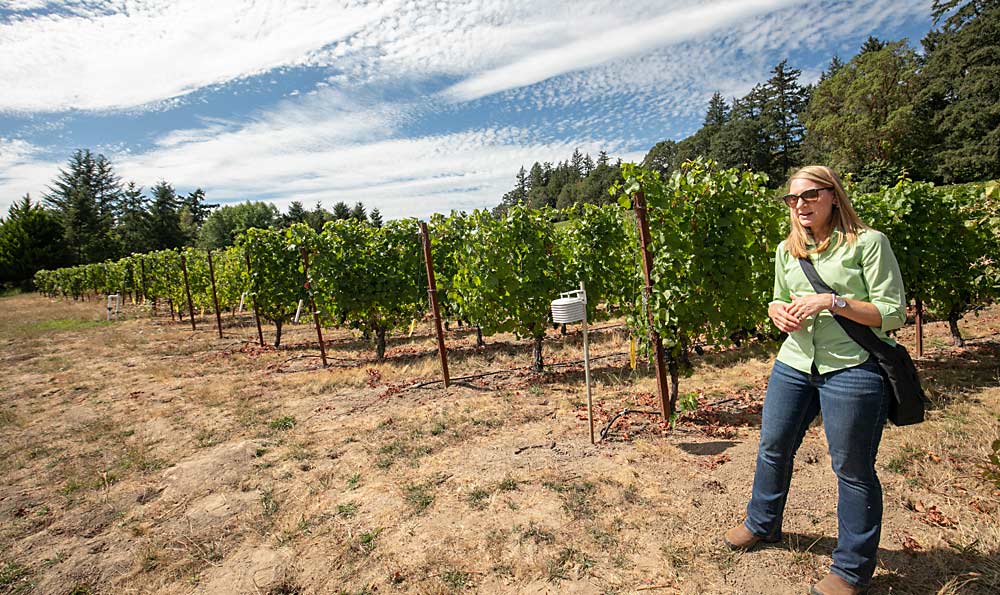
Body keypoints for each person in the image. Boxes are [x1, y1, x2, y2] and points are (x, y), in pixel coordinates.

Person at [723, 166, 906, 595]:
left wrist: (833, 301)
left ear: (833, 196)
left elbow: (892, 312)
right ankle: (762, 524)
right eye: (793, 199)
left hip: (853, 367)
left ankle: (850, 569)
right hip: (795, 363)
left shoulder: (869, 243)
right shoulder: (787, 250)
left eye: (810, 196)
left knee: (851, 467)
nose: (800, 205)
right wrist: (775, 311)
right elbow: (778, 298)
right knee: (773, 446)